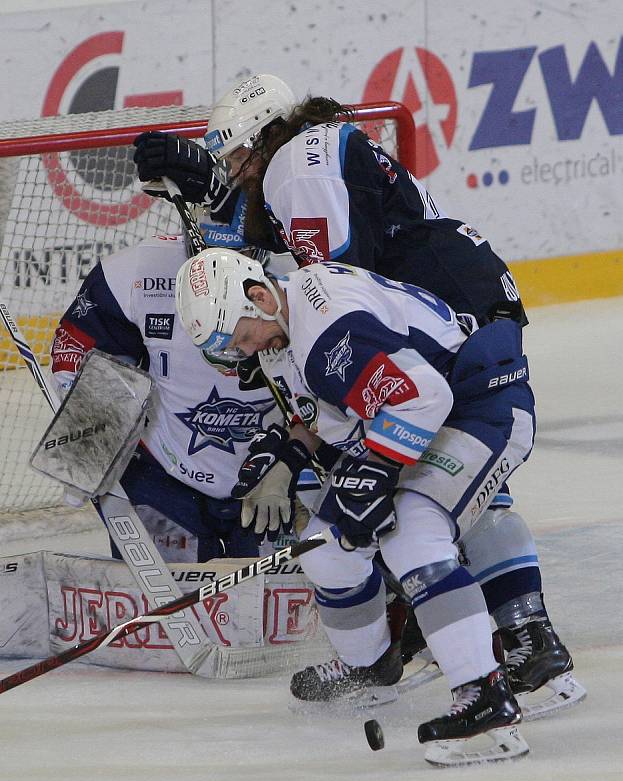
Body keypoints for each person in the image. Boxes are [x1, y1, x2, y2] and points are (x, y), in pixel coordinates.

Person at [134, 75, 579, 706]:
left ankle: (526, 637)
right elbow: (296, 273)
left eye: (235, 160)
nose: (234, 174)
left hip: (450, 316)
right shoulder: (307, 155)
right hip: (450, 299)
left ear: (264, 139)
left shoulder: (296, 163)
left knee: (450, 487)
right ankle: (472, 633)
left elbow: (325, 280)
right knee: (425, 485)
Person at [175, 248, 538, 755]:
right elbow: (332, 414)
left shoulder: (327, 327)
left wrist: (375, 471)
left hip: (481, 403)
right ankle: (369, 665)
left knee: (413, 533)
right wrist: (287, 457)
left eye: (241, 338)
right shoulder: (282, 329)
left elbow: (424, 395)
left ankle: (484, 693)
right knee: (324, 547)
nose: (244, 352)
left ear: (258, 297)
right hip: (419, 419)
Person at [49, 172, 283, 563]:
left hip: (272, 476)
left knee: (282, 612)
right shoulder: (135, 272)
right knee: (164, 612)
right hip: (163, 476)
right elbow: (74, 351)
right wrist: (91, 441)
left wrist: (295, 466)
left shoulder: (302, 275)